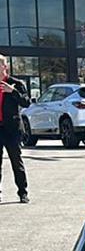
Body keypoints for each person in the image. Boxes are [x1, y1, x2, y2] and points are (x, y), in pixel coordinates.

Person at [0, 54, 30, 204]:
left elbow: (26, 103)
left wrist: (12, 92)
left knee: (16, 161)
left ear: (4, 67)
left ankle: (23, 192)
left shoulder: (16, 84)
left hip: (12, 129)